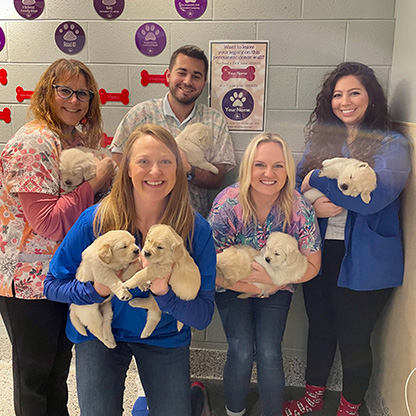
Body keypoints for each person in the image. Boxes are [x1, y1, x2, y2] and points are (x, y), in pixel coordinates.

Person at [43, 124, 217, 416]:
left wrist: (164, 293)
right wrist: (95, 289)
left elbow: (202, 316)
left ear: (178, 169)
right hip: (100, 334)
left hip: (162, 336)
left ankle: (189, 400)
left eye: (165, 161)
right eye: (143, 161)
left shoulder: (194, 230)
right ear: (127, 169)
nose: (155, 172)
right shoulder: (95, 221)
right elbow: (51, 285)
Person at [283, 62, 411, 416]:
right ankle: (312, 396)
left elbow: (373, 199)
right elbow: (293, 190)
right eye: (337, 94)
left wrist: (318, 180)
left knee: (355, 340)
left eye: (354, 92)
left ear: (371, 98)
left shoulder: (393, 144)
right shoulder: (322, 140)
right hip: (322, 252)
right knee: (320, 327)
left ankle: (349, 408)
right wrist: (315, 209)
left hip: (367, 261)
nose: (345, 101)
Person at [0, 58, 116, 416]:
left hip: (60, 276)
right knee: (35, 376)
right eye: (64, 90)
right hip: (27, 282)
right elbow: (48, 222)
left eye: (83, 93)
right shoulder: (35, 142)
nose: (74, 100)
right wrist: (96, 182)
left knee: (57, 371)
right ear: (46, 92)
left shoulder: (73, 140)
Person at [208, 133, 321, 416]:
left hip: (277, 288)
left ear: (288, 170)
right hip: (231, 285)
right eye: (260, 165)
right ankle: (234, 411)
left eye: (278, 166)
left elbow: (313, 266)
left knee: (270, 351)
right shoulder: (228, 204)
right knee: (242, 349)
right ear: (248, 167)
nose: (269, 173)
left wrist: (274, 281)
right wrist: (254, 283)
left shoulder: (299, 207)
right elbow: (208, 268)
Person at [110, 44, 236, 217]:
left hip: (191, 220)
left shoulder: (214, 121)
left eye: (196, 76)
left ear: (204, 82)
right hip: (140, 218)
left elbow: (217, 178)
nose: (188, 81)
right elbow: (118, 158)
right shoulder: (141, 114)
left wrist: (189, 171)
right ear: (168, 75)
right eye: (182, 73)